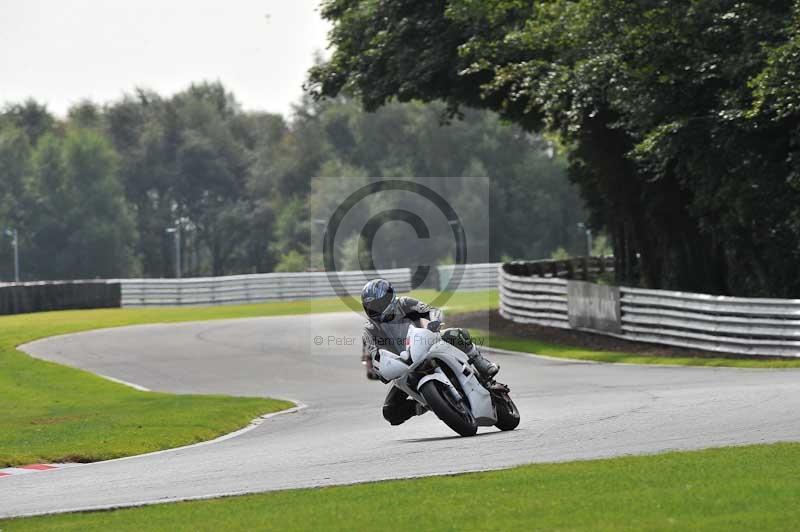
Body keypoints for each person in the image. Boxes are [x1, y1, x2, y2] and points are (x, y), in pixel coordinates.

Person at [361, 278, 499, 426]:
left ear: (390, 298)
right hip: (402, 366)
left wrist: (434, 322)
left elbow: (431, 310)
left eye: (379, 304)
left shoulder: (404, 303)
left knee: (456, 334)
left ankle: (480, 363)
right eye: (372, 306)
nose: (376, 309)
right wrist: (379, 369)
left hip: (424, 343)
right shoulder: (369, 330)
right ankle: (425, 405)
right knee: (389, 412)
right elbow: (374, 354)